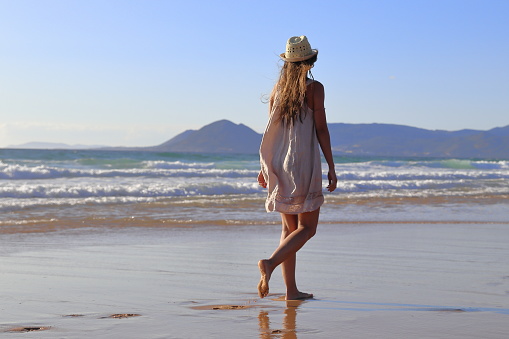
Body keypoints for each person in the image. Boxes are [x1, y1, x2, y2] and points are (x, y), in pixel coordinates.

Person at [257, 36, 337, 300]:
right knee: (308, 228)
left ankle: (291, 291)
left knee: (288, 229)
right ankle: (269, 263)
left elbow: (270, 132)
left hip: (279, 161)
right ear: (310, 61)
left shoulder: (277, 90)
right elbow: (322, 129)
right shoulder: (314, 88)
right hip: (303, 162)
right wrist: (331, 166)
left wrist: (264, 167)